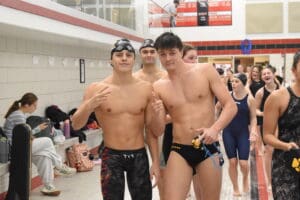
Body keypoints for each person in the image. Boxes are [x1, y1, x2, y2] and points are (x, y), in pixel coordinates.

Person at [151, 32, 237, 200]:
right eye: (163, 54)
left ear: (180, 51)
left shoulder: (204, 71)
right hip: (179, 148)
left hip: (208, 147)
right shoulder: (159, 86)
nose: (168, 58)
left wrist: (215, 129)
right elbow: (157, 129)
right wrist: (156, 114)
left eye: (172, 53)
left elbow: (230, 106)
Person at [71, 38, 159, 200]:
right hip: (111, 156)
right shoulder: (96, 89)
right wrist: (89, 105)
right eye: (119, 55)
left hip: (139, 155)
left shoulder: (145, 89)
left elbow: (151, 131)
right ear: (111, 60)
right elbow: (76, 124)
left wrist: (156, 163)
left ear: (134, 59)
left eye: (128, 55)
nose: (124, 58)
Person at [3, 93, 76, 196]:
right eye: (34, 105)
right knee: (47, 141)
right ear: (27, 105)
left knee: (44, 156)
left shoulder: (20, 114)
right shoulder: (18, 115)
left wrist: (36, 132)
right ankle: (59, 165)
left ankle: (48, 186)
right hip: (14, 149)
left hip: (19, 146)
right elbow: (24, 135)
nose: (36, 108)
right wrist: (37, 129)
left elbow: (24, 135)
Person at [263, 51, 300, 200]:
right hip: (285, 163)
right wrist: (285, 146)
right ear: (293, 70)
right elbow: (267, 135)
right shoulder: (278, 97)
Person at [134, 38, 166, 200]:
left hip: (163, 130)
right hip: (140, 132)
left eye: (152, 51)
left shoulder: (165, 76)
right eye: (145, 52)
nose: (148, 55)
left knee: (163, 174)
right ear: (140, 54)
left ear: (157, 54)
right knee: (142, 177)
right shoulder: (135, 78)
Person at [217, 73, 257, 197]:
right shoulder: (227, 96)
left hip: (243, 133)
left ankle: (245, 178)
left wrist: (254, 131)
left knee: (243, 163)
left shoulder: (250, 99)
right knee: (232, 162)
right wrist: (217, 127)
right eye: (232, 81)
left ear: (243, 83)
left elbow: (253, 118)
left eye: (236, 81)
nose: (233, 84)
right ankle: (235, 186)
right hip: (228, 132)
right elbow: (217, 108)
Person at [255, 66, 280, 191]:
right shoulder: (260, 93)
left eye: (268, 73)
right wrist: (265, 114)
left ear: (274, 74)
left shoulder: (282, 90)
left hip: (282, 124)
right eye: (263, 74)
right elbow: (254, 110)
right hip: (268, 125)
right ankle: (269, 182)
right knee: (269, 151)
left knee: (282, 151)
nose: (266, 75)